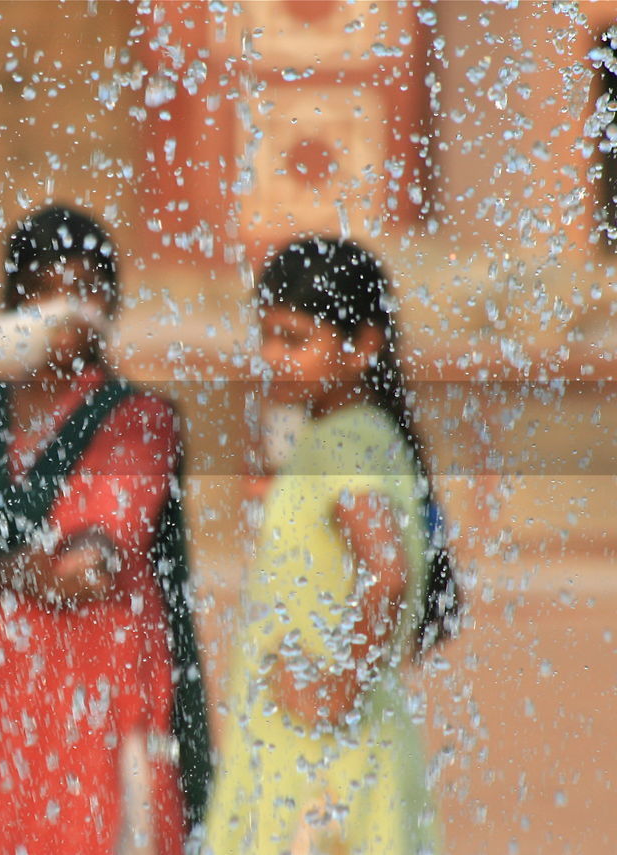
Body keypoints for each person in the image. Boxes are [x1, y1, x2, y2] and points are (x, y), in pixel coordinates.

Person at [0, 205, 211, 855]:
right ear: (13, 304)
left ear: (111, 302)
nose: (67, 308)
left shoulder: (139, 421)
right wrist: (2, 571)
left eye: (86, 288)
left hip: (85, 717)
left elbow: (87, 567)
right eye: (45, 289)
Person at [203, 237, 458, 854]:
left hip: (313, 775)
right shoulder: (370, 433)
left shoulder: (337, 447)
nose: (271, 356)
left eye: (294, 339)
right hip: (357, 754)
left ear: (364, 345)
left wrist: (332, 691)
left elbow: (388, 572)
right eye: (265, 335)